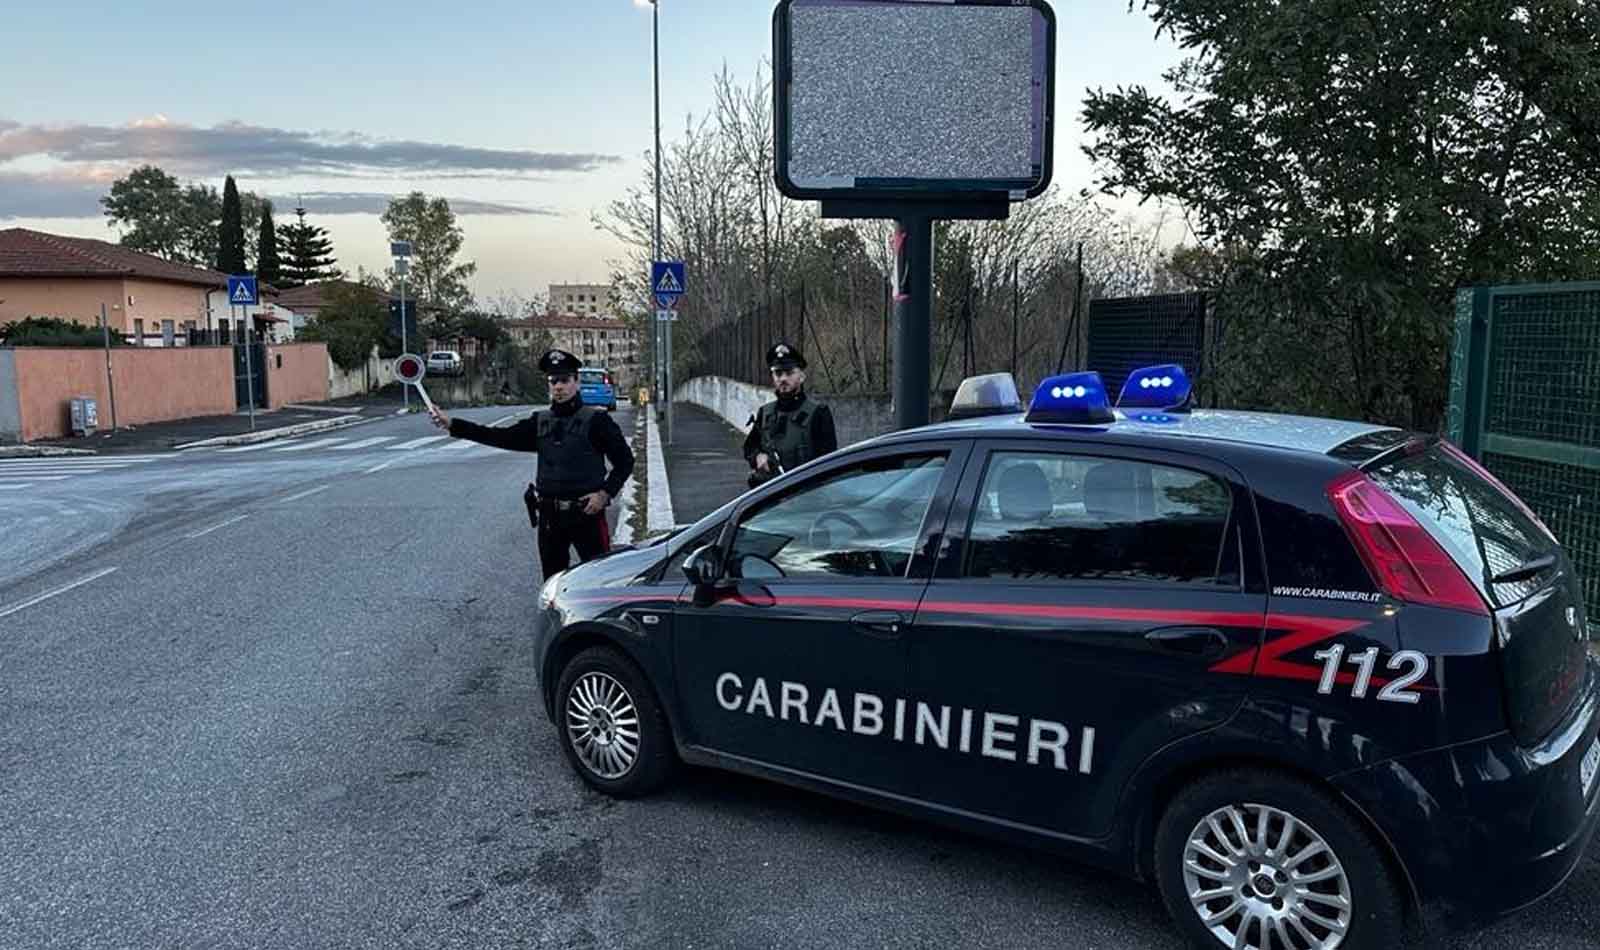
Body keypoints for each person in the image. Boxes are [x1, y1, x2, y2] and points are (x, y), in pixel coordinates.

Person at [429, 349, 634, 575]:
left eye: (564, 380)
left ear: (576, 381)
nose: (558, 387)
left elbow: (625, 461)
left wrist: (604, 494)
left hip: (587, 513)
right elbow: (498, 436)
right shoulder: (540, 422)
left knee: (597, 581)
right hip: (550, 517)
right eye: (553, 381)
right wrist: (453, 424)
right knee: (552, 584)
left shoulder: (597, 421)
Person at [743, 342, 838, 488]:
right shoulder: (765, 413)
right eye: (778, 373)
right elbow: (750, 446)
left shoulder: (818, 413)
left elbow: (828, 463)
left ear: (801, 376)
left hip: (804, 497)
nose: (783, 379)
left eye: (789, 373)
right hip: (769, 498)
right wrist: (757, 457)